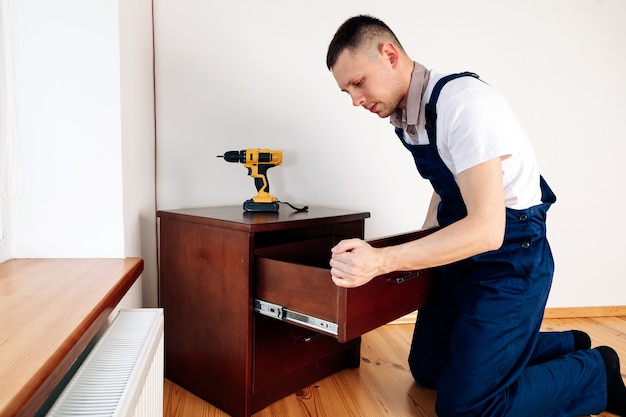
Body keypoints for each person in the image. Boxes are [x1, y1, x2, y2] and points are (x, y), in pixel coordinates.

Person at [326, 15, 626, 417]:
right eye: (346, 91)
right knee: (429, 368)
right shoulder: (405, 115)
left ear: (390, 55)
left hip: (512, 254)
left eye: (358, 83)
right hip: (461, 249)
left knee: (467, 408)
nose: (355, 100)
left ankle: (595, 372)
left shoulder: (462, 103)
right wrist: (421, 243)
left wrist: (383, 261)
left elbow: (487, 230)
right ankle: (565, 342)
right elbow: (446, 182)